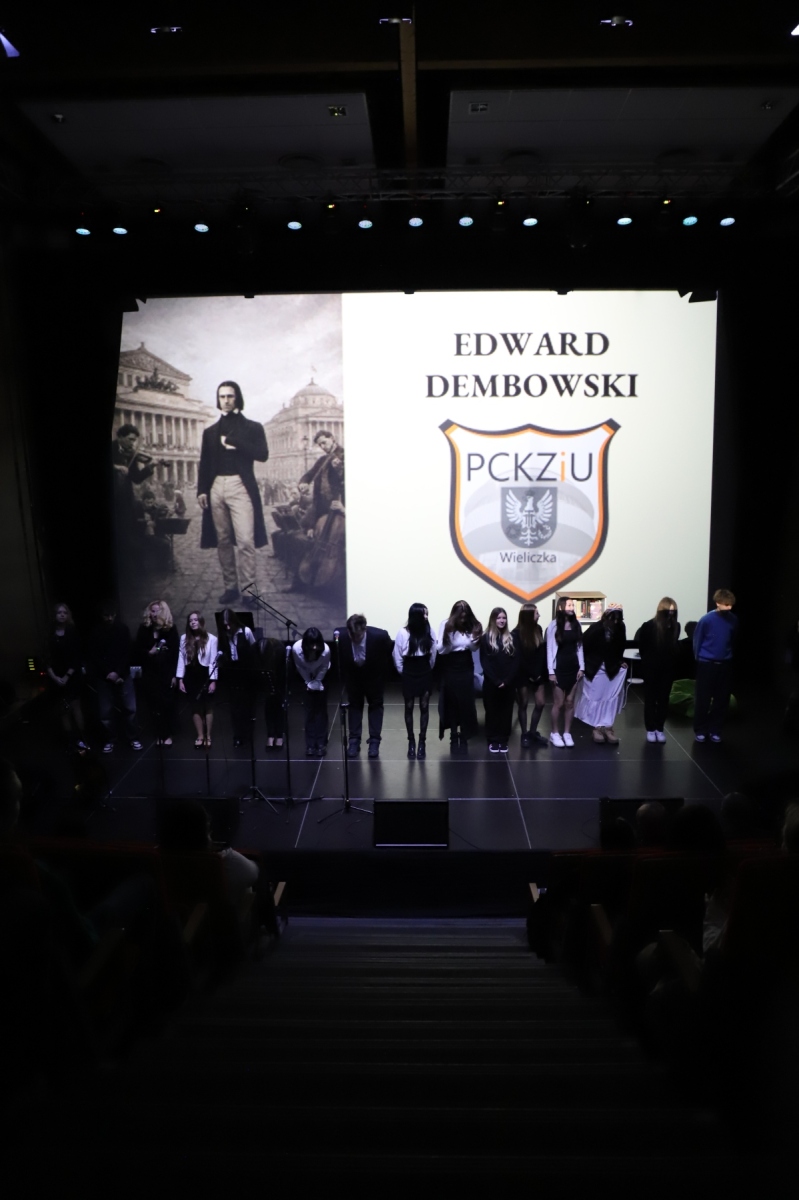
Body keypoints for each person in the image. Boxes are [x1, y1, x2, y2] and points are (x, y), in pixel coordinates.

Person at [197, 380, 269, 606]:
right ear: (218, 400)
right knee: (223, 540)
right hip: (216, 486)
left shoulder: (253, 427)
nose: (226, 400)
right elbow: (204, 463)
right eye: (222, 396)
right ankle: (230, 588)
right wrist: (202, 490)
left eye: (230, 396)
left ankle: (249, 592)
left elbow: (263, 454)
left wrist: (235, 442)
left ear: (237, 397)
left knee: (246, 540)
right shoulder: (210, 432)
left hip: (241, 485)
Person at [336, 614, 394, 759]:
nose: (355, 639)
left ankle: (374, 741)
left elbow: (388, 651)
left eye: (358, 636)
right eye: (352, 635)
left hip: (374, 677)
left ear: (364, 630)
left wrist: (380, 672)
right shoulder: (341, 636)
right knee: (354, 706)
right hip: (353, 677)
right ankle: (354, 741)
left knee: (375, 706)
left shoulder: (380, 636)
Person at [87, 602, 141, 753]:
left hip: (122, 674)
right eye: (106, 615)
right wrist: (108, 673)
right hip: (104, 676)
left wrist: (118, 673)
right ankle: (111, 739)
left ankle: (133, 738)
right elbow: (95, 656)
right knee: (105, 712)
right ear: (101, 616)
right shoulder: (96, 632)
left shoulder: (122, 629)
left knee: (130, 708)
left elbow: (127, 652)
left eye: (111, 615)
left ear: (115, 614)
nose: (109, 618)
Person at [297, 431, 346, 593]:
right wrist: (303, 483)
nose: (323, 447)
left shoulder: (344, 456)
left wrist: (341, 471)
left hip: (341, 511)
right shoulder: (323, 460)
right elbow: (309, 475)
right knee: (306, 542)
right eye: (319, 445)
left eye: (324, 442)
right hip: (322, 512)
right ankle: (301, 583)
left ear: (333, 438)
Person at [575, 603, 629, 744]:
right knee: (597, 697)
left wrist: (619, 661)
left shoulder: (621, 627)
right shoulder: (596, 628)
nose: (615, 622)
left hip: (612, 667)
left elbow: (621, 645)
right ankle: (597, 728)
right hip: (596, 668)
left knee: (610, 696)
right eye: (613, 618)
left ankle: (609, 727)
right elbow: (584, 646)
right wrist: (584, 666)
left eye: (618, 619)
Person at [693, 588, 738, 743]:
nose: (729, 607)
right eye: (726, 604)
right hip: (707, 664)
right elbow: (697, 640)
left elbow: (732, 639)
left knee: (722, 699)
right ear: (718, 603)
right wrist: (699, 659)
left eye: (731, 604)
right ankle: (700, 729)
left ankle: (715, 729)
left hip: (725, 664)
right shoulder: (706, 620)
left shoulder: (733, 619)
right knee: (703, 699)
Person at [393, 603, 437, 760]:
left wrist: (428, 669)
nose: (426, 617)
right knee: (409, 706)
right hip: (409, 671)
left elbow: (433, 655)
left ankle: (422, 741)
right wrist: (403, 672)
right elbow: (397, 655)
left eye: (427, 614)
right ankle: (411, 741)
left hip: (424, 670)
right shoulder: (403, 632)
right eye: (424, 614)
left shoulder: (429, 631)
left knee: (424, 706)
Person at [437, 601, 482, 750]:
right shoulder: (445, 624)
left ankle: (464, 734)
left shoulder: (472, 625)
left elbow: (474, 648)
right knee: (451, 701)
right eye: (460, 617)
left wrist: (474, 638)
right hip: (450, 665)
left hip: (466, 665)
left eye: (465, 616)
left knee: (465, 701)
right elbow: (441, 650)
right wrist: (449, 635)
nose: (463, 619)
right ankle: (453, 734)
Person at [635, 597, 681, 743]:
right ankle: (650, 729)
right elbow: (642, 648)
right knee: (650, 699)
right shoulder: (648, 626)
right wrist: (648, 663)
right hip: (651, 668)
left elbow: (673, 646)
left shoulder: (676, 626)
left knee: (663, 699)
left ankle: (659, 728)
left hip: (668, 668)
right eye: (668, 611)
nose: (671, 614)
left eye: (673, 611)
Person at [134, 600, 179, 745]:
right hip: (150, 673)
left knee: (166, 704)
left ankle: (168, 734)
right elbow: (137, 651)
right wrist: (149, 653)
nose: (154, 614)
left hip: (166, 674)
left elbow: (175, 654)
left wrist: (174, 675)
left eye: (157, 611)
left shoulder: (170, 630)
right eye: (152, 611)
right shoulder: (144, 629)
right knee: (153, 705)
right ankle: (159, 734)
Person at [546, 597, 585, 747]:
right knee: (559, 703)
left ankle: (567, 733)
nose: (571, 607)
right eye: (569, 605)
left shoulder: (576, 624)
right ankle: (554, 733)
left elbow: (579, 647)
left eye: (572, 605)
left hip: (573, 668)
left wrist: (582, 667)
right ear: (560, 607)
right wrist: (551, 671)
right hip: (558, 668)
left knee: (570, 702)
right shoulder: (553, 625)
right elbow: (549, 649)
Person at [176, 611, 219, 748]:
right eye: (190, 620)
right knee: (195, 706)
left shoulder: (212, 639)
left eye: (195, 620)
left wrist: (213, 681)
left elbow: (213, 661)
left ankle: (208, 736)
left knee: (208, 706)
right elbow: (181, 659)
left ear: (201, 622)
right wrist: (180, 679)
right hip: (190, 676)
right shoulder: (184, 638)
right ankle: (200, 735)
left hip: (205, 675)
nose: (193, 622)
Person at [45, 602, 84, 746]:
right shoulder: (50, 634)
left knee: (75, 706)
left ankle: (82, 740)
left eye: (65, 612)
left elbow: (77, 657)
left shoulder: (72, 632)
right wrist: (54, 677)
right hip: (56, 676)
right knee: (63, 709)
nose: (62, 615)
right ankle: (70, 742)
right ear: (54, 615)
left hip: (72, 675)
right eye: (59, 612)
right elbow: (46, 658)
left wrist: (67, 676)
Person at [480, 607, 518, 753]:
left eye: (504, 618)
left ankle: (503, 740)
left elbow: (515, 662)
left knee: (506, 712)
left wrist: (507, 681)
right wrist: (496, 681)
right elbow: (485, 662)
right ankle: (493, 740)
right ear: (493, 620)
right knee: (492, 712)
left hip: (508, 684)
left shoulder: (512, 637)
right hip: (491, 683)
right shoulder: (485, 638)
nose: (502, 621)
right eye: (499, 618)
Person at [218, 610, 257, 747]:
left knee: (247, 705)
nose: (227, 627)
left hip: (245, 671)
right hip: (232, 672)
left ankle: (248, 734)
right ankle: (237, 735)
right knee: (234, 707)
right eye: (225, 624)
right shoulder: (224, 634)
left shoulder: (245, 631)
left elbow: (254, 649)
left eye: (229, 623)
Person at [513, 602, 548, 748]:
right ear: (528, 615)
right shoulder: (516, 633)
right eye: (536, 613)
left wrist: (538, 674)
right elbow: (519, 658)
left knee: (541, 703)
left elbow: (540, 654)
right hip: (523, 674)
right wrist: (530, 674)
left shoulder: (538, 629)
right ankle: (524, 734)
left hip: (538, 673)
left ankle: (533, 732)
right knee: (523, 704)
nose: (539, 615)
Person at [292, 628, 330, 757]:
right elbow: (299, 666)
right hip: (305, 678)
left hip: (322, 677)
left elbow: (324, 667)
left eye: (316, 644)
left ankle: (321, 744)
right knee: (309, 712)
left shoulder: (325, 650)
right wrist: (308, 682)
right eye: (311, 644)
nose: (314, 647)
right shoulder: (296, 648)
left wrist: (317, 682)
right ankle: (310, 744)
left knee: (320, 712)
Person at [260, 637, 287, 750]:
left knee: (279, 707)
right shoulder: (263, 656)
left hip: (280, 683)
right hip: (268, 683)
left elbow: (284, 676)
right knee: (269, 707)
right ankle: (270, 735)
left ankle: (279, 735)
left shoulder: (281, 656)